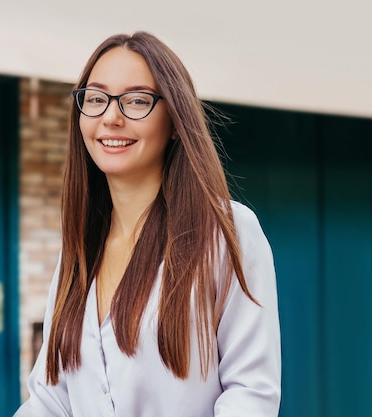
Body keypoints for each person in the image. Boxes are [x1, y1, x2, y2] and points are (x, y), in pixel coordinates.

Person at [14, 31, 281, 417]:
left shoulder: (226, 232)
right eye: (96, 99)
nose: (111, 117)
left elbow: (251, 393)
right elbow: (50, 400)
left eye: (137, 100)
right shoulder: (78, 252)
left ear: (175, 120)